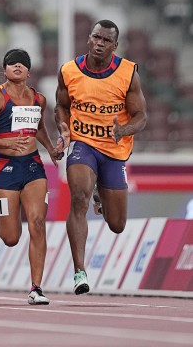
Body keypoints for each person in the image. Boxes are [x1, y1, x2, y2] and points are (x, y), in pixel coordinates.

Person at [55, 18, 147, 296]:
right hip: (84, 144)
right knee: (78, 196)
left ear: (115, 46)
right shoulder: (69, 70)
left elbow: (142, 116)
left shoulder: (127, 73)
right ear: (89, 38)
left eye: (106, 40)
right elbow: (61, 106)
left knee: (117, 224)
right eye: (96, 37)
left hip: (114, 150)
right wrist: (64, 129)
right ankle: (79, 271)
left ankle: (101, 192)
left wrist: (125, 129)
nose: (99, 43)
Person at [0, 48, 64, 306]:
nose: (17, 67)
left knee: (37, 222)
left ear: (28, 70)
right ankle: (3, 219)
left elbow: (39, 128)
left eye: (22, 64)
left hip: (33, 166)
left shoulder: (39, 99)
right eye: (12, 64)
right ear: (4, 70)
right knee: (11, 237)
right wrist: (8, 145)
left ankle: (36, 287)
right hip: (4, 169)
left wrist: (50, 149)